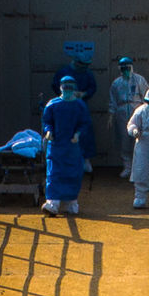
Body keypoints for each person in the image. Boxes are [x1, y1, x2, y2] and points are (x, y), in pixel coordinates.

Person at [41, 77, 93, 217]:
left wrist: (78, 133)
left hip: (72, 146)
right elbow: (47, 122)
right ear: (61, 87)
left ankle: (71, 202)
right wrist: (48, 131)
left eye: (71, 87)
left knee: (73, 173)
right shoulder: (52, 105)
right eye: (66, 87)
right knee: (54, 172)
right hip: (56, 145)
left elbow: (84, 123)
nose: (68, 90)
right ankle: (53, 202)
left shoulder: (80, 105)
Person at [51, 53, 97, 172]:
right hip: (64, 106)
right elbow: (55, 85)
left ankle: (85, 160)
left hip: (80, 105)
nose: (84, 67)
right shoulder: (64, 73)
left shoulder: (87, 74)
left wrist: (84, 94)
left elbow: (92, 87)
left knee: (85, 132)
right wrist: (66, 95)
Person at [108, 57, 149, 178]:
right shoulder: (116, 83)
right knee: (124, 139)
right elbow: (112, 101)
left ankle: (138, 167)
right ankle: (127, 166)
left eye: (128, 67)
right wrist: (111, 115)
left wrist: (146, 113)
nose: (126, 70)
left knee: (138, 138)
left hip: (136, 108)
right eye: (123, 67)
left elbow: (146, 95)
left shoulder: (139, 80)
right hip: (122, 111)